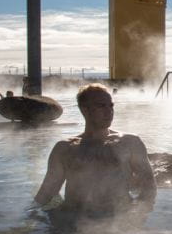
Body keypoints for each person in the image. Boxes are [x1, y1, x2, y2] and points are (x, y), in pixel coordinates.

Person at [33, 83, 156, 218]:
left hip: (117, 217)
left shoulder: (129, 143)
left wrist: (137, 216)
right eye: (101, 106)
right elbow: (47, 192)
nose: (109, 111)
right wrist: (29, 218)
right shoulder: (64, 149)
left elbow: (148, 185)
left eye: (111, 106)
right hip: (73, 218)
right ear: (84, 109)